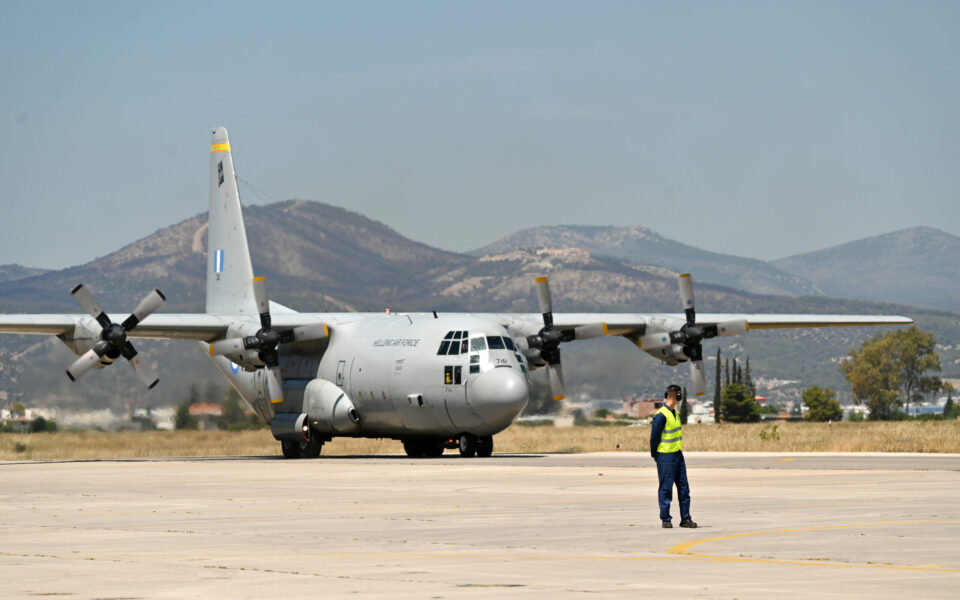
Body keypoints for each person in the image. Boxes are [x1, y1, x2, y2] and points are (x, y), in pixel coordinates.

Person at [650, 384, 697, 528]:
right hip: (665, 456)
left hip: (677, 455)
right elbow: (654, 438)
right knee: (666, 488)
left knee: (684, 488)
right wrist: (655, 455)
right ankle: (666, 519)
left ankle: (685, 519)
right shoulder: (661, 415)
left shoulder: (675, 413)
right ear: (676, 395)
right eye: (679, 394)